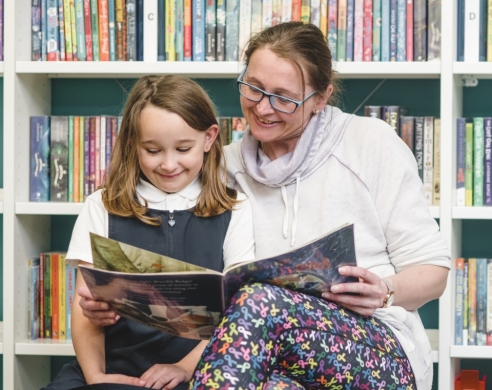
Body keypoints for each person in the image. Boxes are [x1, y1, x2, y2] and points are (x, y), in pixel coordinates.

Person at [82, 21, 450, 390]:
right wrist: (109, 302)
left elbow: (434, 273)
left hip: (376, 347)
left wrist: (384, 290)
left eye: (283, 97)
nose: (262, 107)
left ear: (320, 98)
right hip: (265, 355)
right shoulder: (219, 168)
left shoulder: (371, 144)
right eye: (253, 88)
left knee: (259, 299)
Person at [44, 75, 255, 390]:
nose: (169, 164)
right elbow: (84, 309)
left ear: (209, 138)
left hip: (199, 369)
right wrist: (96, 377)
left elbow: (241, 313)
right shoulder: (101, 206)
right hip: (114, 370)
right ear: (133, 143)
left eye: (183, 148)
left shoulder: (235, 208)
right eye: (153, 150)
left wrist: (183, 368)